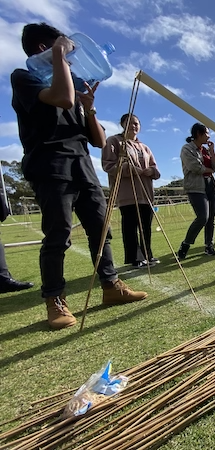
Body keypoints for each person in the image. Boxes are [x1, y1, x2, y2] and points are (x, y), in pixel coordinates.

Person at [10, 23, 147, 329]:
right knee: (58, 234)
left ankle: (111, 287)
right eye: (66, 50)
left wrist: (90, 109)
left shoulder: (71, 83)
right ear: (45, 49)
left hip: (82, 165)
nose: (72, 58)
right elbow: (62, 98)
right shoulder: (25, 78)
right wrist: (60, 54)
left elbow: (98, 141)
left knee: (101, 229)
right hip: (50, 166)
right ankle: (55, 300)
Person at [102, 114, 161, 268]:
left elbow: (156, 168)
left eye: (136, 123)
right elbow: (108, 165)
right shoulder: (114, 141)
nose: (134, 126)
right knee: (130, 226)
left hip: (145, 193)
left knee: (146, 226)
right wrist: (128, 169)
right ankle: (135, 258)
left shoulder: (145, 147)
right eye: (130, 123)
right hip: (127, 193)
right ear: (122, 124)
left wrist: (151, 171)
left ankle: (148, 255)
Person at [177, 123, 215, 259]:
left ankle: (209, 245)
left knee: (211, 218)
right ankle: (185, 244)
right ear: (198, 134)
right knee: (203, 217)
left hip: (211, 186)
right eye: (207, 133)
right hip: (196, 187)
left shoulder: (206, 150)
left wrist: (212, 151)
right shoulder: (187, 149)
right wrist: (209, 170)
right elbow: (195, 167)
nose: (209, 136)